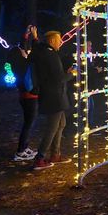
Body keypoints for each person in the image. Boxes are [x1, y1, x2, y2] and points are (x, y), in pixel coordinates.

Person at [31, 30, 75, 170]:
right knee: (52, 127)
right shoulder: (51, 55)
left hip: (51, 96)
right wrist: (71, 74)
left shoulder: (42, 52)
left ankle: (55, 154)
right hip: (54, 97)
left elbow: (37, 49)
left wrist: (35, 38)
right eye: (58, 40)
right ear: (51, 41)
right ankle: (40, 158)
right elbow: (59, 79)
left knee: (61, 123)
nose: (61, 42)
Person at [6, 25, 39, 162]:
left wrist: (26, 35)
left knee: (28, 122)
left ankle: (24, 147)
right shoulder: (22, 64)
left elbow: (23, 47)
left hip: (25, 95)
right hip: (29, 95)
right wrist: (35, 37)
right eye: (22, 51)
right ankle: (20, 151)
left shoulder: (18, 61)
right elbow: (36, 53)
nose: (25, 52)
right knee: (29, 123)